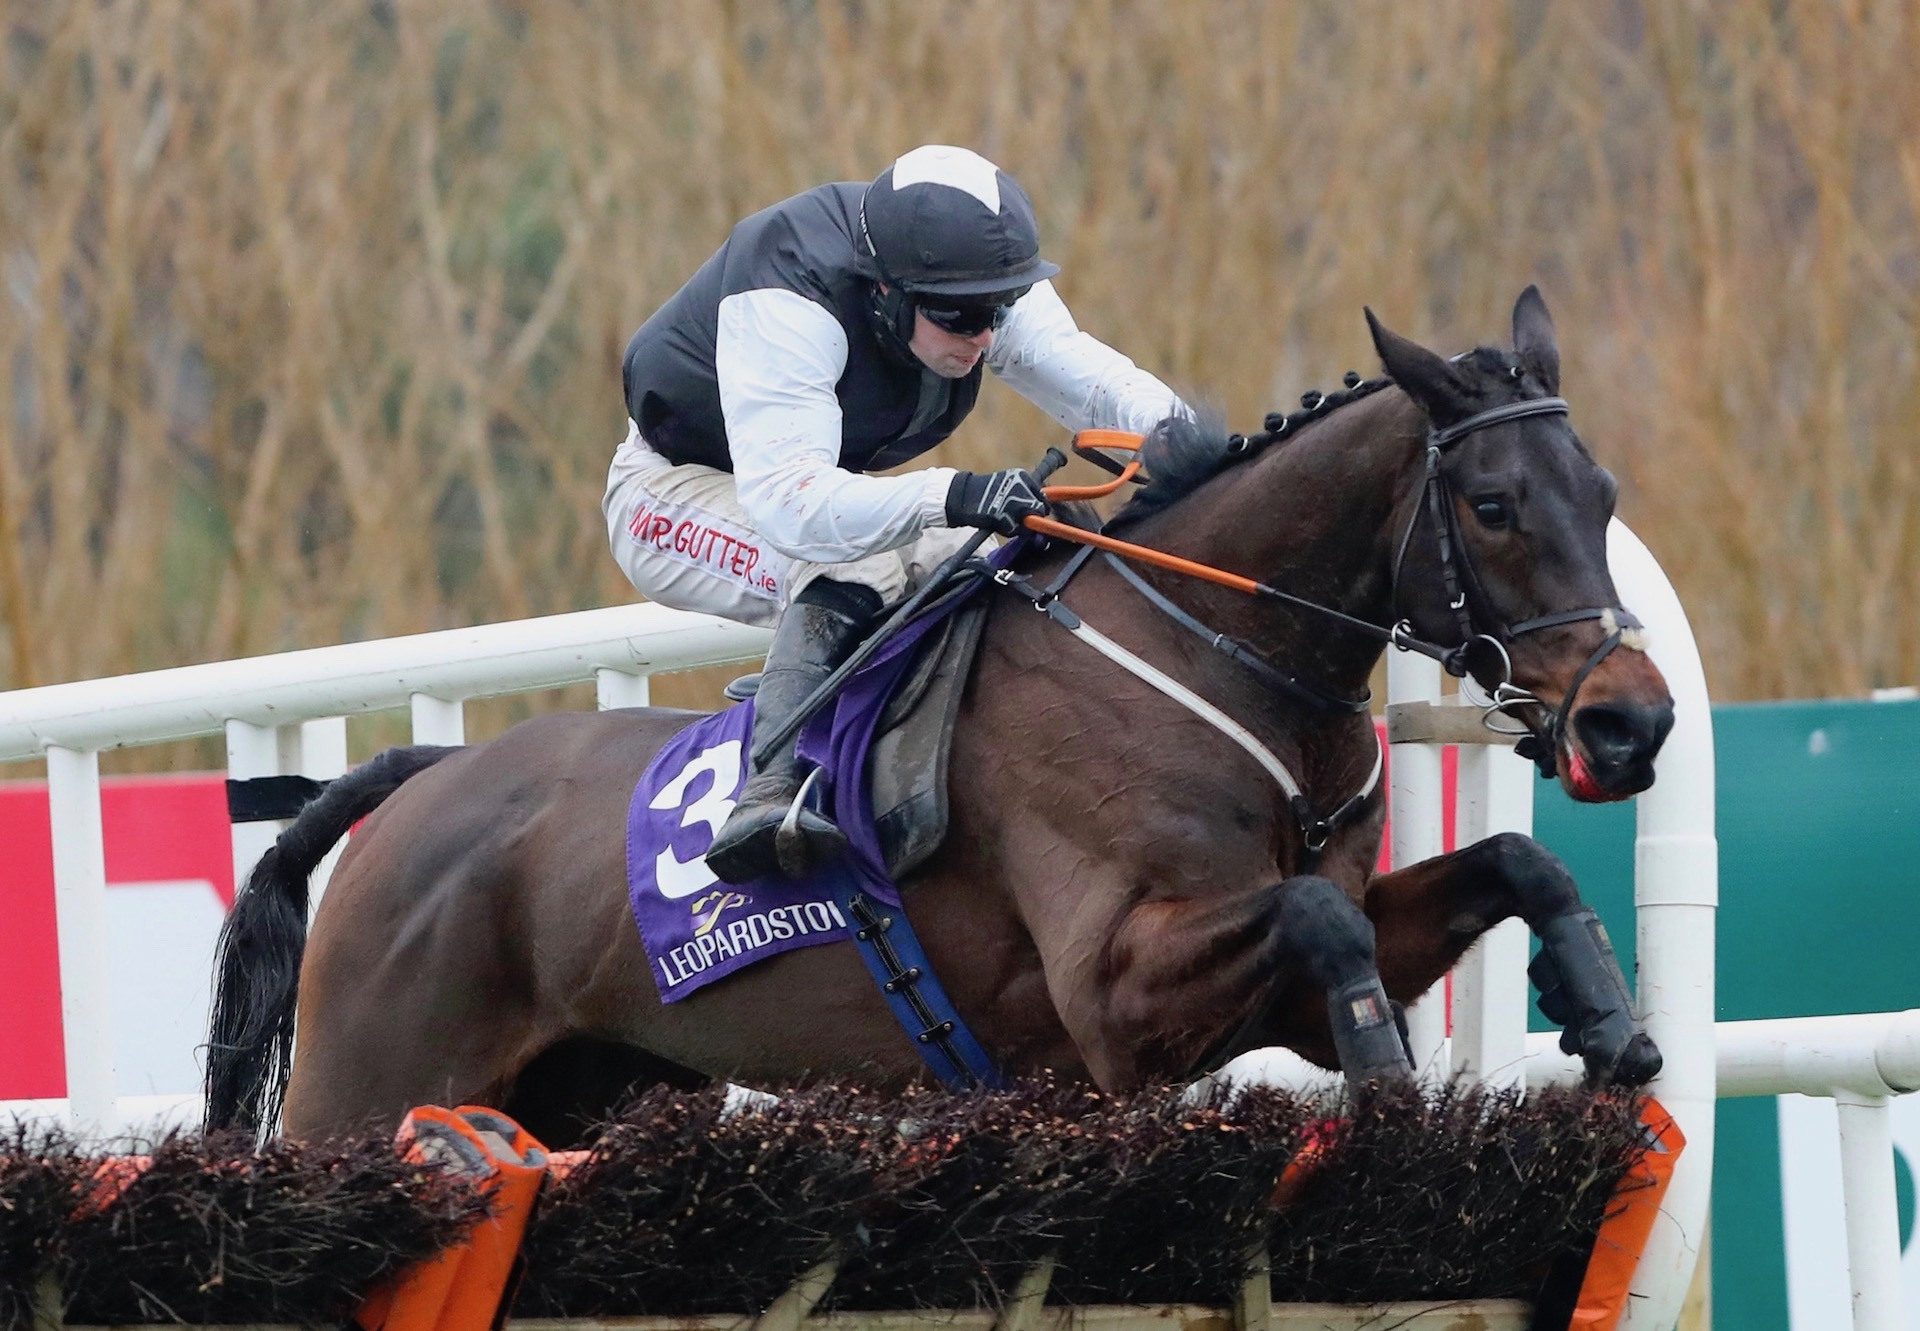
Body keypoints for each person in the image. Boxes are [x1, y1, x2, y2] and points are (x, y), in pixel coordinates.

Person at [606, 145, 1188, 883]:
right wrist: (949, 491)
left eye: (998, 310)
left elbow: (1094, 384)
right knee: (856, 559)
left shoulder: (970, 276)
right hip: (671, 493)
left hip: (809, 482)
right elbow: (793, 503)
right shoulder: (789, 297)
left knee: (1009, 553)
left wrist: (1193, 444)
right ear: (884, 290)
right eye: (961, 317)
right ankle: (766, 791)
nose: (984, 336)